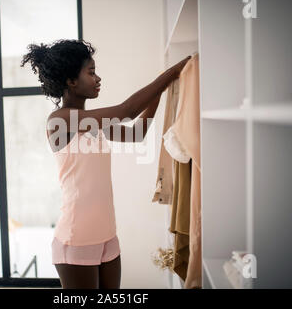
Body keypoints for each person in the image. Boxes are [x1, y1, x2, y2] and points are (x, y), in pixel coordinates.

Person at [21, 39, 190, 289]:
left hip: (108, 237)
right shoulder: (59, 121)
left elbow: (138, 131)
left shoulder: (91, 123)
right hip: (75, 238)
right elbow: (127, 111)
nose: (98, 78)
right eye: (91, 72)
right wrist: (170, 73)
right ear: (71, 81)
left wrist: (161, 89)